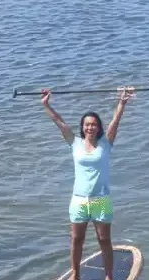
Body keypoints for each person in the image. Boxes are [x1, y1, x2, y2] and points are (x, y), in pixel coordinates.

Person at [41, 86, 134, 280]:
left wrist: (122, 103)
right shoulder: (74, 143)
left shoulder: (105, 144)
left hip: (101, 199)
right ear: (82, 127)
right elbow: (59, 122)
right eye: (86, 124)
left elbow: (115, 122)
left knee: (104, 240)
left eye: (93, 124)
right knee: (76, 240)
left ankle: (109, 276)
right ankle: (75, 274)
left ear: (98, 127)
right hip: (79, 200)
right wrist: (46, 105)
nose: (90, 127)